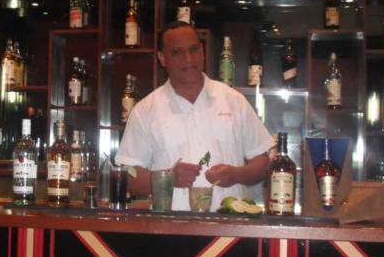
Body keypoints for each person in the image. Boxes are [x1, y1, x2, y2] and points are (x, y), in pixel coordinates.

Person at [115, 21, 275, 211]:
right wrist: (168, 178)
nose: (188, 58)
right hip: (170, 229)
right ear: (162, 58)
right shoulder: (145, 110)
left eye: (193, 49)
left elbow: (262, 161)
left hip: (230, 225)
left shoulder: (234, 101)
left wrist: (236, 175)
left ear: (203, 52)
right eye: (177, 52)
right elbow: (127, 176)